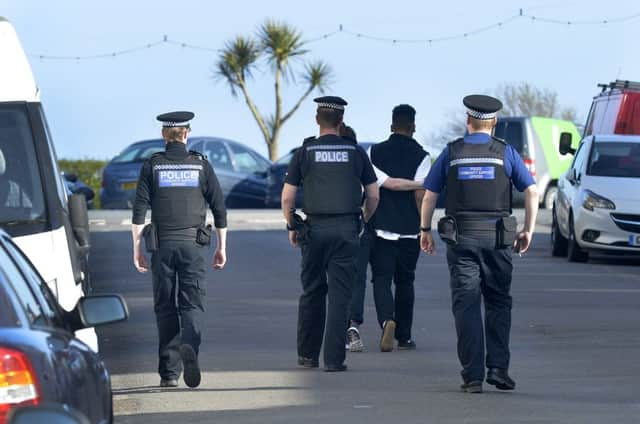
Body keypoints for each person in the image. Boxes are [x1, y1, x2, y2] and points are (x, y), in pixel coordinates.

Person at [420, 95, 539, 393]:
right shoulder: (506, 153)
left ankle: (472, 375)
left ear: (467, 120)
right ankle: (498, 368)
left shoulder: (452, 152)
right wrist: (528, 230)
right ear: (494, 122)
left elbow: (430, 194)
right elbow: (533, 191)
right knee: (498, 302)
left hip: (461, 240)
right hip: (499, 240)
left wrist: (425, 229)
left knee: (467, 304)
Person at [131, 111, 228, 388]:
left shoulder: (152, 165)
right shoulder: (201, 165)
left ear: (164, 135)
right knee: (193, 303)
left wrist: (136, 248)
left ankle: (169, 373)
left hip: (161, 246)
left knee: (165, 306)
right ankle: (190, 346)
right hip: (193, 246)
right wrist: (222, 246)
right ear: (186, 134)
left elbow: (139, 212)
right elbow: (219, 209)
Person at [281, 96, 379, 372]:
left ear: (317, 120)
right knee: (340, 295)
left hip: (313, 230)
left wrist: (291, 225)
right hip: (347, 230)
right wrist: (362, 220)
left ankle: (308, 355)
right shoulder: (356, 152)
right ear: (341, 122)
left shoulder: (305, 151)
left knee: (312, 291)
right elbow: (373, 195)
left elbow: (288, 198)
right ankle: (334, 360)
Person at [366, 104, 431, 352]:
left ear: (391, 125)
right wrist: (423, 226)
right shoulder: (423, 156)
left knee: (381, 279)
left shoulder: (374, 152)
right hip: (410, 229)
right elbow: (420, 194)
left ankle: (387, 320)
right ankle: (404, 335)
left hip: (381, 226)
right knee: (406, 281)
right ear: (413, 127)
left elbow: (373, 188)